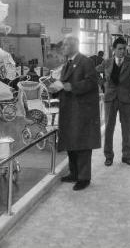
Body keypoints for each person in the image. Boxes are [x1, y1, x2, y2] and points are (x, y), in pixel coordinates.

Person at [49, 36, 101, 191]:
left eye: (65, 45)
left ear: (74, 45)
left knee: (83, 144)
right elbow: (64, 84)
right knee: (71, 143)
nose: (62, 48)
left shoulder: (85, 62)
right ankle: (74, 173)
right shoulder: (67, 63)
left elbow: (92, 83)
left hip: (82, 110)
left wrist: (71, 86)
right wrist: (55, 90)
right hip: (69, 109)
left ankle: (84, 177)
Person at [97, 37, 130, 167]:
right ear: (113, 49)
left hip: (126, 99)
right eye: (119, 49)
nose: (122, 51)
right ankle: (108, 156)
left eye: (124, 49)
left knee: (126, 128)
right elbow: (94, 72)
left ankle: (127, 156)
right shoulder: (107, 63)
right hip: (110, 99)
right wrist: (103, 83)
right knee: (109, 128)